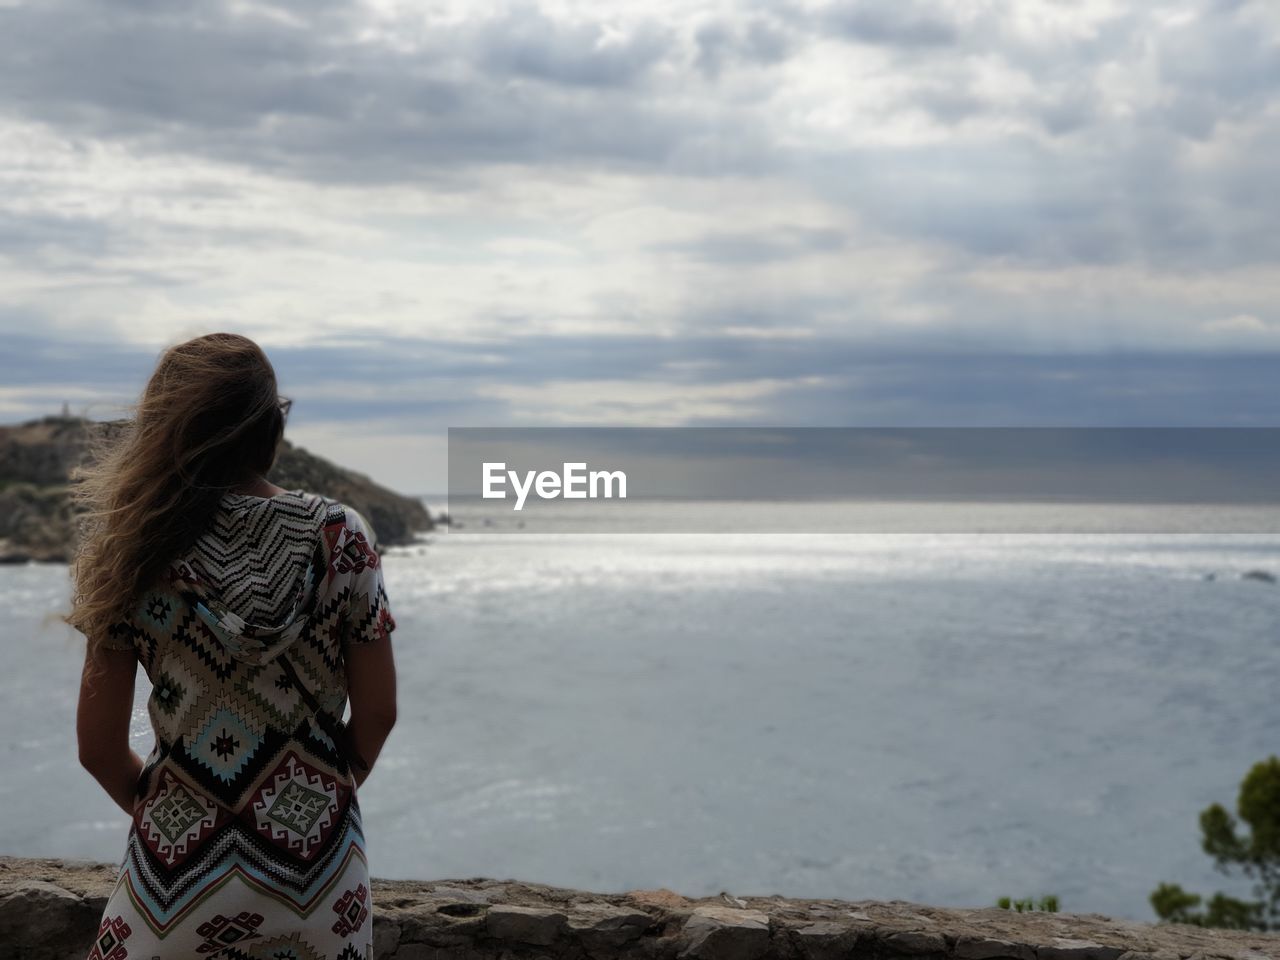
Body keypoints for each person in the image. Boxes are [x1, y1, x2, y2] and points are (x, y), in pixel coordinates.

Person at [67, 332, 398, 960]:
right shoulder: (339, 535)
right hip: (322, 870)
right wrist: (322, 791)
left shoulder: (129, 549)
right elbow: (378, 712)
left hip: (175, 876)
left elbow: (98, 749)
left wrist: (180, 816)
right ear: (270, 428)